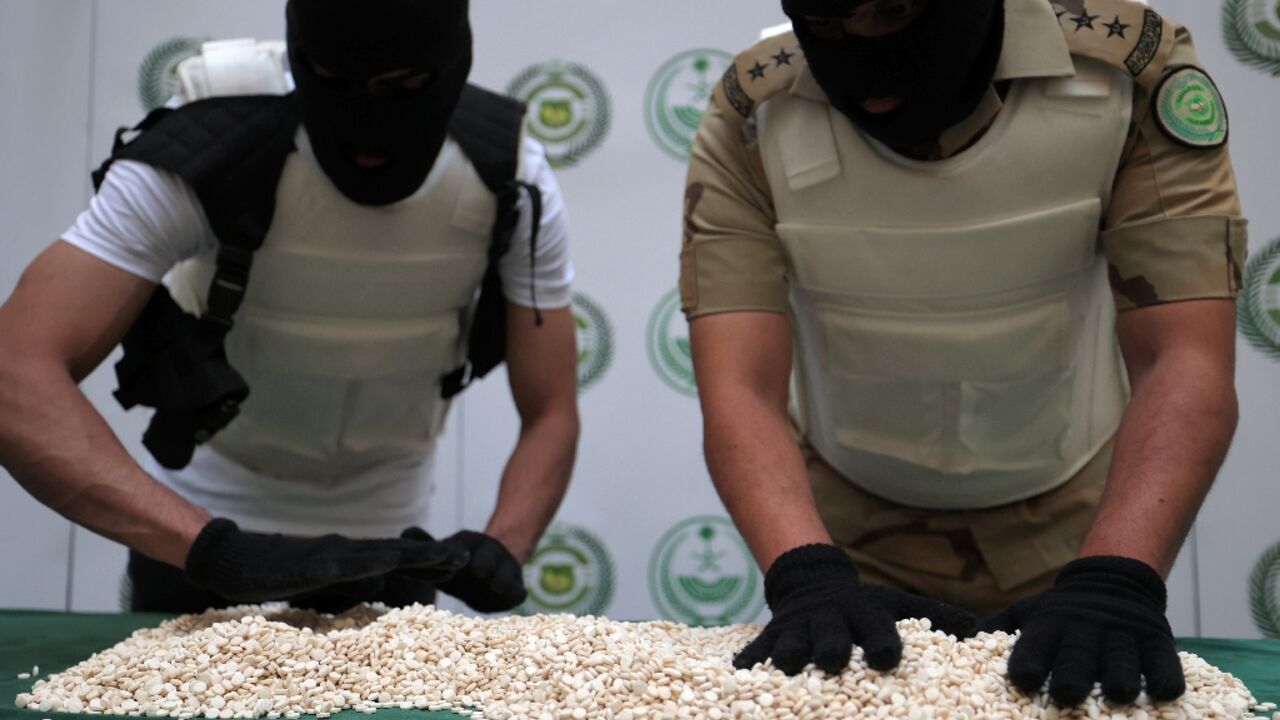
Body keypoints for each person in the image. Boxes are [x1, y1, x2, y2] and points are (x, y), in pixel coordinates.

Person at [681, 0, 1245, 706]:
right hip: (849, 552)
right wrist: (806, 575)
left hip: (1082, 535)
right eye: (825, 24)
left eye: (890, 14)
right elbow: (740, 385)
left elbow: (1184, 355)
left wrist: (1117, 578)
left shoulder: (1123, 75)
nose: (864, 57)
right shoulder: (754, 112)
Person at [0, 0, 580, 615]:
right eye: (331, 81)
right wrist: (214, 549)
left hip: (393, 546)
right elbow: (15, 372)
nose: (367, 122)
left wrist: (504, 546)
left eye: (406, 87)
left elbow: (551, 413)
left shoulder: (510, 178)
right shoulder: (211, 150)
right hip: (195, 538)